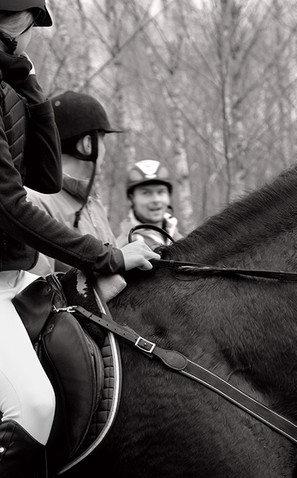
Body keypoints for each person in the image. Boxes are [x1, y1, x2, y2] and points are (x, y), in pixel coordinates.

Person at [0, 3, 160, 475]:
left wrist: (27, 83)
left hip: (14, 277)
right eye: (29, 32)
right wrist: (106, 257)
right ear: (17, 27)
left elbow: (45, 178)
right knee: (33, 407)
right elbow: (10, 207)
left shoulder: (7, 85)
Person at [26, 90, 122, 275]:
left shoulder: (92, 201)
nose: (105, 149)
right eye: (102, 139)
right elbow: (39, 294)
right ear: (88, 144)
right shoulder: (33, 201)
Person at [115, 159, 182, 249]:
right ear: (131, 199)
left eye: (161, 192)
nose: (156, 200)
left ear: (169, 196)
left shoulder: (176, 235)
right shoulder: (127, 246)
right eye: (146, 193)